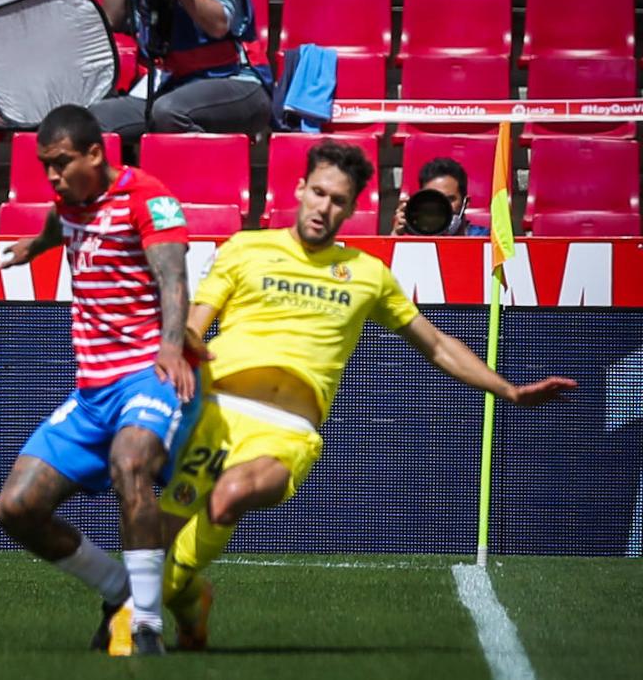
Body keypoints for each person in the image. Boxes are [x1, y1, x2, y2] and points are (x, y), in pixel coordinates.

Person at [121, 140, 576, 652]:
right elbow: (196, 327)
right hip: (215, 415)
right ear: (299, 189)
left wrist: (509, 391)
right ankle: (189, 600)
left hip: (287, 430)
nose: (323, 207)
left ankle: (151, 604)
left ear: (353, 206)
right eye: (317, 193)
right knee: (159, 539)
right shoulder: (245, 248)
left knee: (228, 499)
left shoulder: (367, 275)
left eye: (338, 200)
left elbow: (437, 345)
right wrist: (177, 350)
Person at [0, 104, 199, 657]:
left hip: (145, 375)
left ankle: (148, 624)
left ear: (95, 153)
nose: (53, 176)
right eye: (46, 167)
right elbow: (63, 222)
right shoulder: (71, 201)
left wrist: (172, 347)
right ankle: (118, 592)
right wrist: (34, 246)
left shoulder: (147, 198)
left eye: (61, 163)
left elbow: (173, 277)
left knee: (130, 465)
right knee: (15, 508)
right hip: (91, 393)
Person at [89, 0, 271, 143]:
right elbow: (113, 20)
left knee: (168, 111)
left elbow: (217, 25)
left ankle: (207, 175)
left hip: (239, 84)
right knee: (96, 119)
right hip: (171, 87)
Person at [391, 157, 490, 236]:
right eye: (433, 200)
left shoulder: (486, 240)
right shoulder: (413, 241)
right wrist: (395, 236)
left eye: (449, 199)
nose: (442, 206)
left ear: (466, 202)